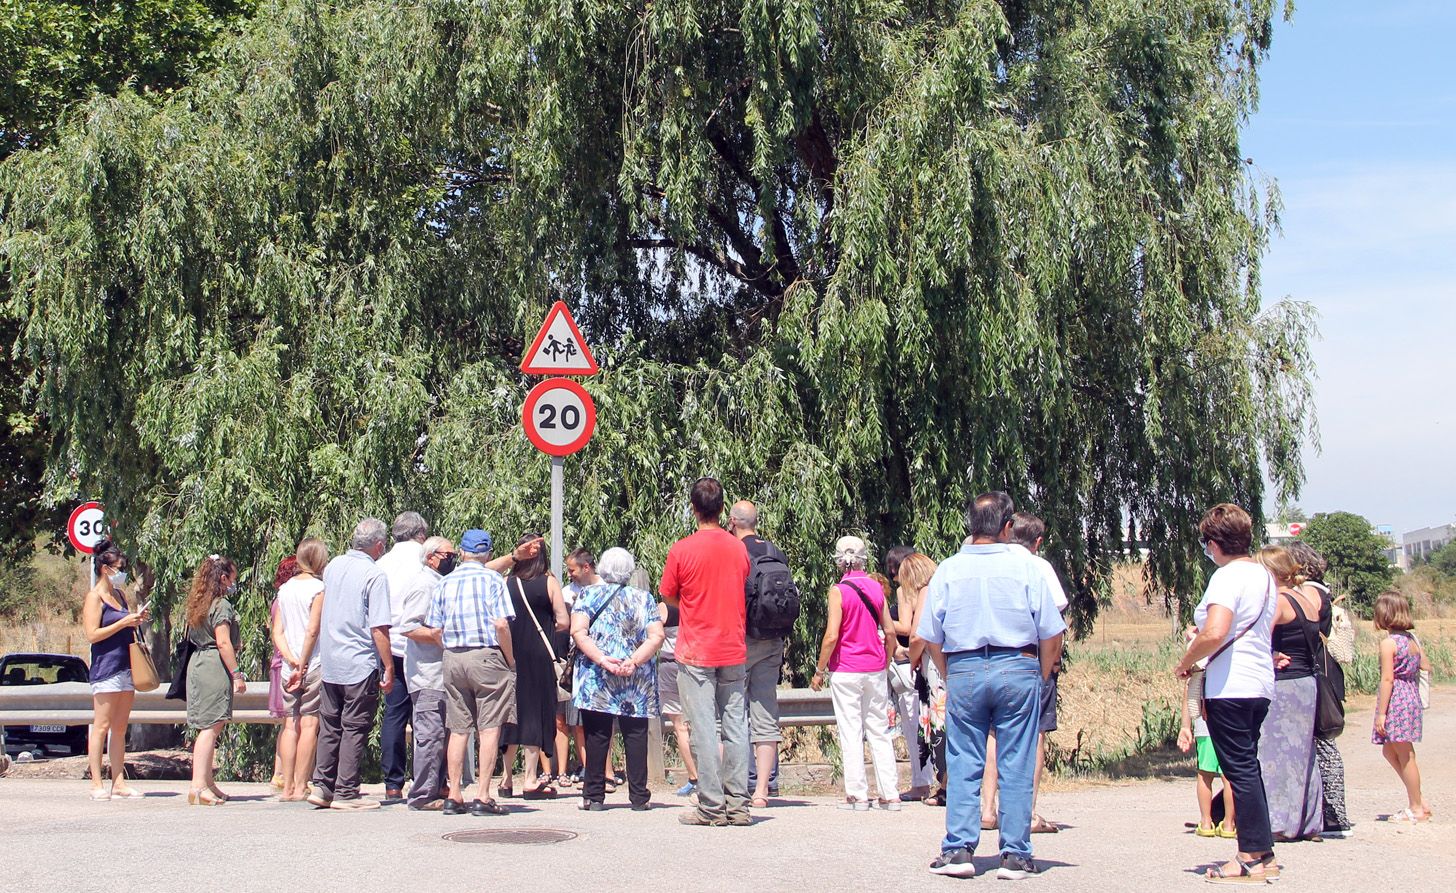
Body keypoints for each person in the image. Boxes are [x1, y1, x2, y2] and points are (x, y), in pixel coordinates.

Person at [917, 493, 1066, 880]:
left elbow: (930, 634)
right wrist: (1043, 672)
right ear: (1007, 527)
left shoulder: (948, 569)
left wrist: (950, 670)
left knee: (965, 758)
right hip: (1018, 664)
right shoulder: (1027, 567)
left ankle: (959, 850)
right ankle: (1015, 854)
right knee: (1015, 759)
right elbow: (1052, 631)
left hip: (964, 665)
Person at [1175, 503, 1280, 884]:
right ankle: (1263, 850)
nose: (1207, 550)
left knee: (1238, 770)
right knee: (1247, 767)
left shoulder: (1225, 577)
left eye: (1206, 543)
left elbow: (1217, 631)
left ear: (1216, 543)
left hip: (1229, 686)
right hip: (1258, 683)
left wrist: (1188, 658)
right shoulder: (1266, 576)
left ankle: (1249, 855)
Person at [659, 476, 751, 827]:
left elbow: (669, 595)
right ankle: (738, 806)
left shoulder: (682, 550)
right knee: (735, 727)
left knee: (702, 729)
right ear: (722, 509)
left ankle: (711, 806)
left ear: (694, 509)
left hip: (696, 648)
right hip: (733, 645)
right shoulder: (737, 548)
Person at [426, 529, 516, 817]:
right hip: (486, 655)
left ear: (462, 553)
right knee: (489, 727)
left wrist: (450, 647)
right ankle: (483, 796)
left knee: (458, 727)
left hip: (453, 657)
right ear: (488, 553)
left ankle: (453, 794)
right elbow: (501, 625)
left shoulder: (445, 582)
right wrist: (510, 659)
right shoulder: (493, 580)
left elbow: (435, 628)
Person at [570, 547, 666, 810]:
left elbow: (578, 632)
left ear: (602, 568)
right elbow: (657, 636)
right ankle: (638, 797)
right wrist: (633, 660)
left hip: (598, 675)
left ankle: (594, 796)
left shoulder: (588, 595)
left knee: (597, 734)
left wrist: (602, 659)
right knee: (635, 735)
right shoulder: (644, 598)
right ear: (629, 571)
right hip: (635, 676)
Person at [309, 518, 395, 811]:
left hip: (332, 661)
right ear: (379, 546)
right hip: (359, 661)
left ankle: (322, 786)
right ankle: (346, 791)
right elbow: (379, 627)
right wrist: (388, 665)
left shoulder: (332, 567)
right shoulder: (375, 575)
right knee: (355, 725)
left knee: (330, 724)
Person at [810, 536, 901, 811]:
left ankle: (858, 795)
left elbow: (831, 635)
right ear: (864, 559)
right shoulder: (875, 587)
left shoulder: (838, 591)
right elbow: (890, 632)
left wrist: (819, 670)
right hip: (874, 667)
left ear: (839, 561)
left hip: (847, 669)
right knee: (879, 731)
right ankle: (891, 794)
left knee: (851, 730)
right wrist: (884, 663)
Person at [729, 500, 795, 807]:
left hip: (742, 639)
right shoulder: (775, 551)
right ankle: (763, 791)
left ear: (732, 522)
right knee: (765, 711)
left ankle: (739, 785)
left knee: (735, 712)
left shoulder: (735, 551)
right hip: (773, 639)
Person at [1008, 512, 1069, 835]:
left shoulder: (996, 563)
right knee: (1035, 736)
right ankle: (1027, 811)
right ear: (1038, 541)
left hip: (997, 661)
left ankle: (990, 807)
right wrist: (1051, 664)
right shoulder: (1040, 567)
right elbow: (1056, 616)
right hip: (1032, 660)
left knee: (993, 737)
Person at [1258, 545, 1324, 842]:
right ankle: (1310, 822)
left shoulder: (1280, 601)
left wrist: (1268, 656)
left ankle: (1280, 823)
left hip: (1284, 683)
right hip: (1307, 683)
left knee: (1276, 753)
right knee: (1305, 755)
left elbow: (1259, 638)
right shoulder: (1307, 599)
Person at [1288, 541, 1353, 838]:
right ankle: (1328, 813)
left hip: (1317, 671)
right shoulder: (1320, 589)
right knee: (1322, 742)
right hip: (1323, 671)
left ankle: (1332, 814)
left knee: (1322, 741)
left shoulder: (1311, 592)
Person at [501, 532, 569, 799]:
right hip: (539, 656)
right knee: (534, 714)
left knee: (509, 715)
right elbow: (563, 620)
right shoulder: (549, 581)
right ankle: (530, 778)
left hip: (511, 656)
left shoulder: (507, 582)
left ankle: (506, 779)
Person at [82, 538, 147, 801]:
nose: (121, 573)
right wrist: (122, 624)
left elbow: (123, 624)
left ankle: (118, 781)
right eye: (118, 567)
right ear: (105, 568)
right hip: (106, 668)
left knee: (120, 728)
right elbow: (92, 634)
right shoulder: (94, 597)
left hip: (126, 666)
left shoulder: (119, 595)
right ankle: (96, 782)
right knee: (102, 725)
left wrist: (135, 620)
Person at [395, 536, 456, 810]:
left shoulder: (439, 583)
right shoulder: (423, 585)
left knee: (442, 734)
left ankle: (438, 786)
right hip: (427, 674)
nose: (452, 559)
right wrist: (435, 635)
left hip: (442, 673)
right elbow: (408, 626)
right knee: (430, 736)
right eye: (448, 555)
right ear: (431, 557)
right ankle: (422, 795)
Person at [184, 555, 244, 806]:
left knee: (209, 724)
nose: (234, 582)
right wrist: (237, 673)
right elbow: (223, 641)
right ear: (223, 578)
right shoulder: (221, 605)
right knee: (211, 727)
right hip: (213, 666)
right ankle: (198, 785)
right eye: (232, 577)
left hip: (198, 663)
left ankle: (207, 782)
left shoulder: (199, 603)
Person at [377, 511, 429, 801]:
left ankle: (392, 783)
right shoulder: (425, 560)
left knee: (394, 716)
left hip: (390, 648)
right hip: (421, 647)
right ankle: (424, 777)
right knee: (426, 715)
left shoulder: (381, 564)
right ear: (421, 533)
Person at [272, 538, 328, 802]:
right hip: (313, 664)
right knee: (309, 723)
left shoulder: (284, 589)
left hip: (287, 667)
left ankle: (285, 787)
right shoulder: (319, 589)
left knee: (289, 725)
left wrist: (290, 659)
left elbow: (277, 631)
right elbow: (313, 630)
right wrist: (303, 663)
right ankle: (300, 785)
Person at [1371, 590, 1430, 824]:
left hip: (1396, 699)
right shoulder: (1412, 640)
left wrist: (1382, 713)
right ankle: (1418, 798)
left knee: (1405, 754)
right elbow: (1426, 665)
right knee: (1390, 750)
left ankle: (1416, 807)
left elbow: (1387, 679)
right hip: (1411, 695)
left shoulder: (1389, 643)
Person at [1179, 625, 1237, 839]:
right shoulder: (1232, 647)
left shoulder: (1199, 649)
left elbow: (1189, 689)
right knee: (1229, 775)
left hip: (1203, 718)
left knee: (1204, 774)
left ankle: (1205, 821)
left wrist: (1185, 726)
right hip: (1229, 715)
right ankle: (1229, 823)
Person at [899, 551, 946, 806]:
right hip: (947, 663)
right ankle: (947, 785)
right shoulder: (943, 587)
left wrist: (912, 659)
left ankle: (946, 786)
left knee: (939, 726)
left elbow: (918, 636)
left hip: (934, 670)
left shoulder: (926, 592)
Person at [885, 545, 930, 802]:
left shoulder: (906, 590)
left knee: (914, 727)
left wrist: (881, 620)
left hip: (910, 662)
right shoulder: (928, 590)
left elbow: (908, 626)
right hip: (930, 663)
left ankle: (920, 783)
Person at [657, 592, 700, 796]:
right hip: (696, 664)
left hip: (670, 664)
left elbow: (653, 635)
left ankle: (694, 777)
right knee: (700, 722)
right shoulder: (699, 602)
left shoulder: (665, 608)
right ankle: (709, 775)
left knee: (680, 726)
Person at [267, 556, 295, 790]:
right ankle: (285, 774)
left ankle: (279, 773)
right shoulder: (284, 600)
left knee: (287, 724)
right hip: (285, 663)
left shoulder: (280, 599)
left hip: (280, 661)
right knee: (290, 722)